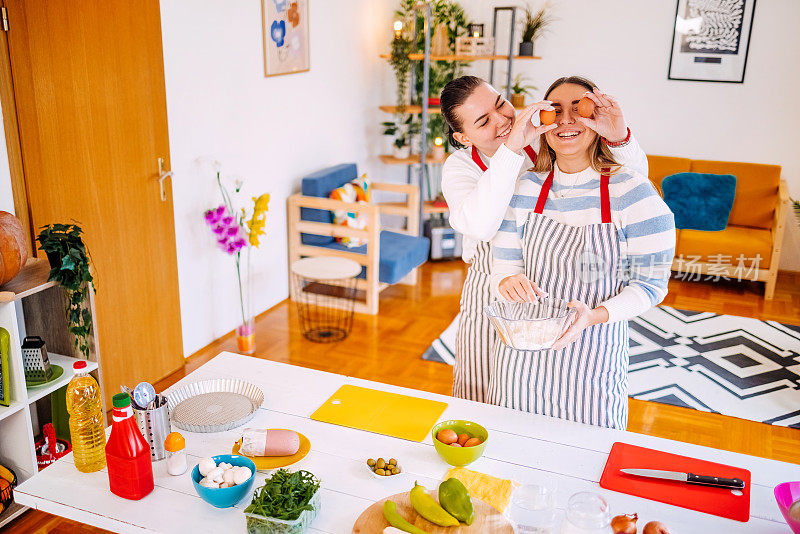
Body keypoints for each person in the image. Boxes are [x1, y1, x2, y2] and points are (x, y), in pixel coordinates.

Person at [440, 75, 649, 402]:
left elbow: (631, 179)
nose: (502, 120)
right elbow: (480, 226)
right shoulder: (460, 167)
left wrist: (619, 137)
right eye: (483, 121)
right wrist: (509, 151)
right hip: (490, 284)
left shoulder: (541, 137)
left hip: (549, 279)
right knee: (479, 383)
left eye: (500, 105)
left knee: (534, 385)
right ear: (463, 137)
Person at [490, 75, 676, 429]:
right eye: (555, 111)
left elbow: (651, 286)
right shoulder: (526, 186)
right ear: (541, 122)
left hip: (593, 359)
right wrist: (506, 279)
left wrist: (592, 316)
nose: (566, 120)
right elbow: (503, 263)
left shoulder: (631, 190)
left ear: (598, 120)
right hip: (522, 359)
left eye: (580, 110)